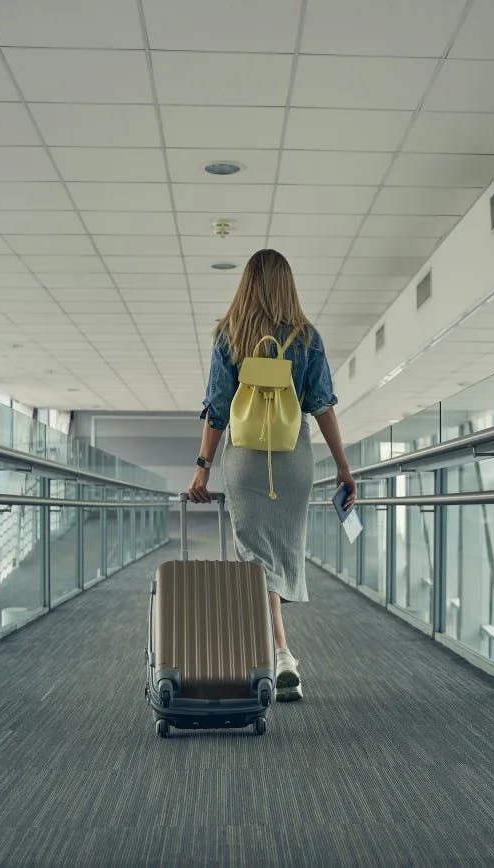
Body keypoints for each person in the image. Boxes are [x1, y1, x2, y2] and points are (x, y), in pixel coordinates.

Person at [188, 248, 355, 704]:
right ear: (288, 284)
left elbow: (218, 410)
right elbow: (322, 405)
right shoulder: (307, 338)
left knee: (254, 558)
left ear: (246, 284)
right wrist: (342, 467)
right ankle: (280, 652)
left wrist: (202, 469)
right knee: (276, 554)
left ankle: (280, 652)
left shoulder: (230, 335)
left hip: (245, 459)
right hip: (292, 458)